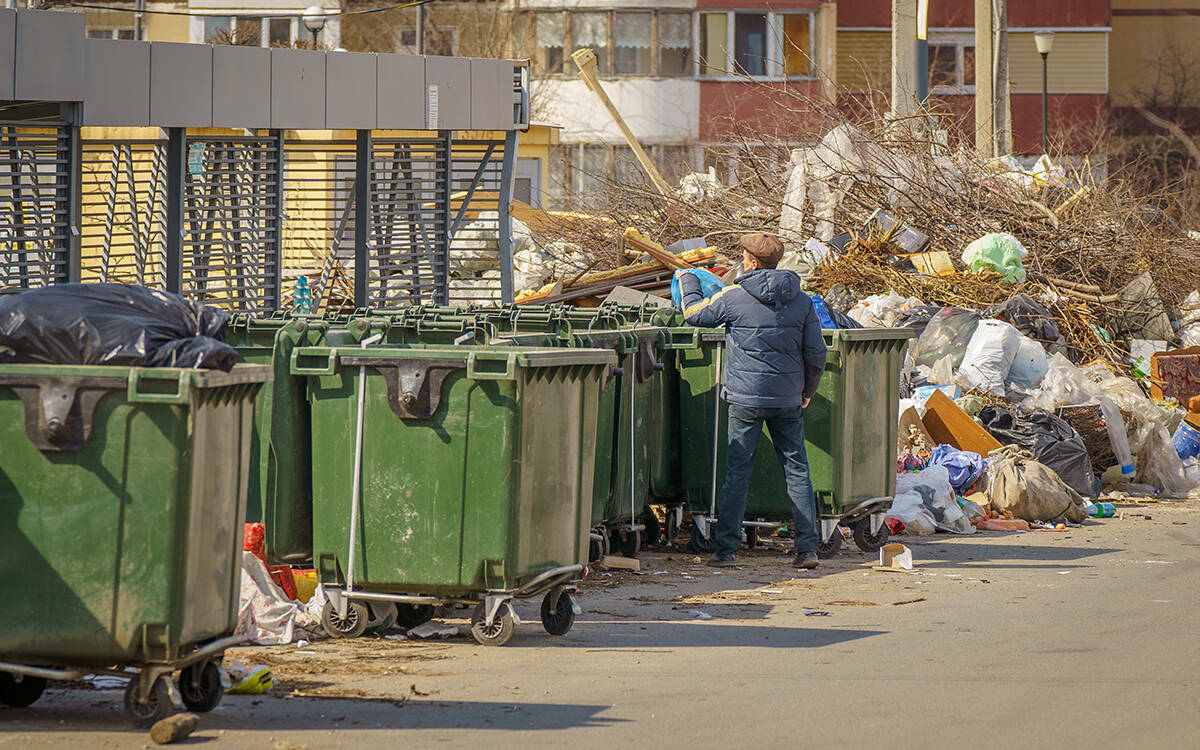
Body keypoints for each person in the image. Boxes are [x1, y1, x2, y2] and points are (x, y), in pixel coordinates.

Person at [676, 233, 827, 568]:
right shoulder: (801, 300)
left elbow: (694, 314)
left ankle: (726, 550)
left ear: (752, 262)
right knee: (798, 471)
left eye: (744, 256)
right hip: (788, 398)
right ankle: (807, 550)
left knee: (738, 472)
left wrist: (687, 278)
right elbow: (817, 352)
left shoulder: (735, 296)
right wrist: (807, 392)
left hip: (745, 397)